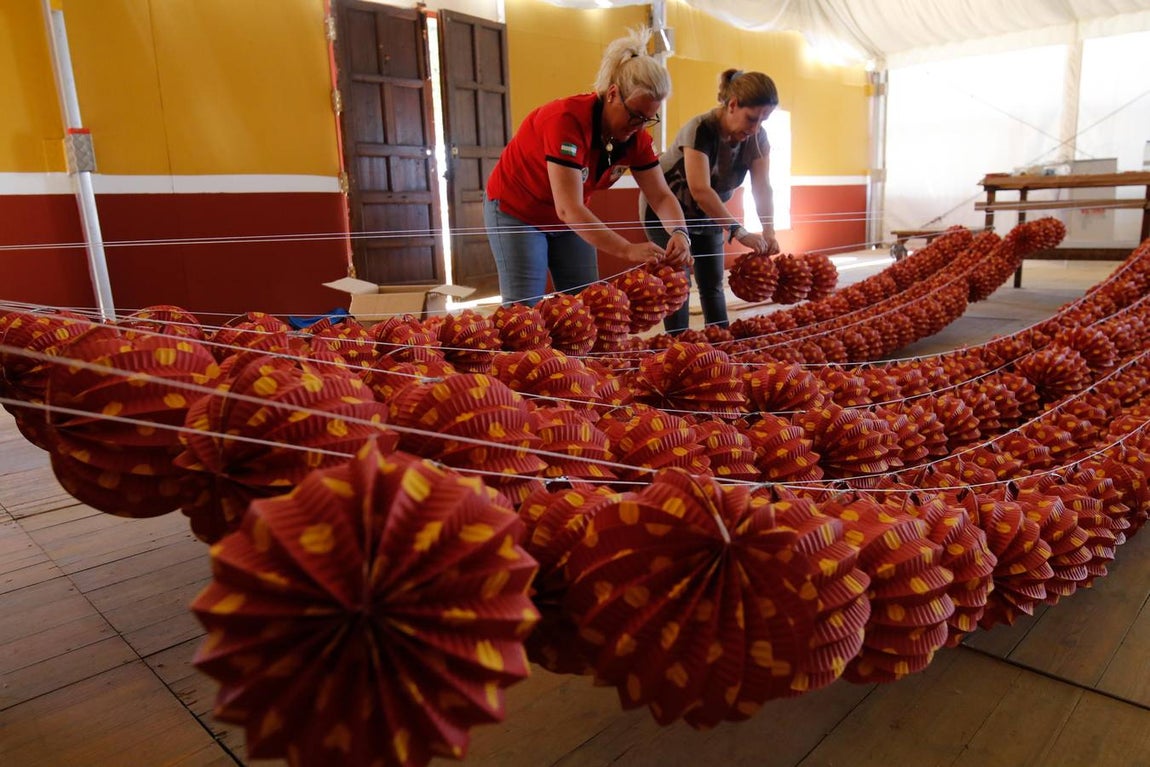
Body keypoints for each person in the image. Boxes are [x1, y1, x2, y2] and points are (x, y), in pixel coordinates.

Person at [484, 27, 692, 306]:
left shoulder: (637, 138)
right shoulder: (566, 120)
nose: (640, 126)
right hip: (518, 211)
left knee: (586, 306)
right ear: (613, 94)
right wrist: (627, 249)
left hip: (569, 217)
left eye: (648, 119)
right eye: (635, 116)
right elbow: (568, 208)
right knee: (524, 312)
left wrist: (680, 232)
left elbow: (661, 196)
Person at [641, 69, 781, 333]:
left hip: (708, 214)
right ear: (733, 105)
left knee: (712, 282)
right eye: (751, 119)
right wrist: (738, 231)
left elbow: (762, 186)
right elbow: (700, 190)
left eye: (764, 120)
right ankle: (679, 345)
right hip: (667, 211)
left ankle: (720, 341)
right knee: (678, 284)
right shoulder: (701, 128)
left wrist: (769, 230)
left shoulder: (758, 137)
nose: (755, 128)